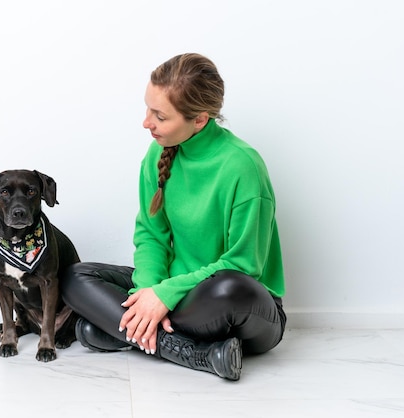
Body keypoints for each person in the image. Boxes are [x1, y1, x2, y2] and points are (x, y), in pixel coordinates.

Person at [60, 52, 286, 381]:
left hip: (236, 305)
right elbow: (151, 235)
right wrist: (150, 291)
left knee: (230, 289)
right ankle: (197, 353)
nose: (146, 122)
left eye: (160, 116)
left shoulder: (243, 167)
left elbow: (244, 264)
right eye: (147, 108)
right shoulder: (157, 152)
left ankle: (119, 332)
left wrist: (164, 297)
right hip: (176, 294)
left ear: (199, 119)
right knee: (75, 276)